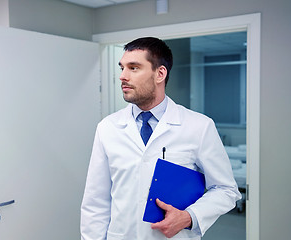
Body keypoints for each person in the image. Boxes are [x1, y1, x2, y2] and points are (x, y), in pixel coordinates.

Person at [80, 37, 241, 240]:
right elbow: (96, 201)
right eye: (122, 67)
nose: (122, 76)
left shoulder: (198, 126)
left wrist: (189, 216)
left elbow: (226, 190)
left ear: (160, 73)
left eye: (134, 68)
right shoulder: (108, 128)